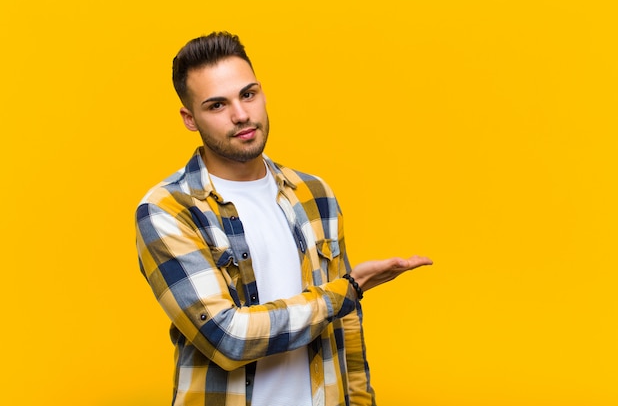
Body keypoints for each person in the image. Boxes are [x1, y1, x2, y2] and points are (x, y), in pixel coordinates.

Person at [135, 31, 432, 406]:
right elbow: (228, 338)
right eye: (216, 105)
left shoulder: (314, 193)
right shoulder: (169, 210)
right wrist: (349, 289)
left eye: (248, 94)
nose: (241, 114)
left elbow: (347, 330)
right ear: (189, 118)